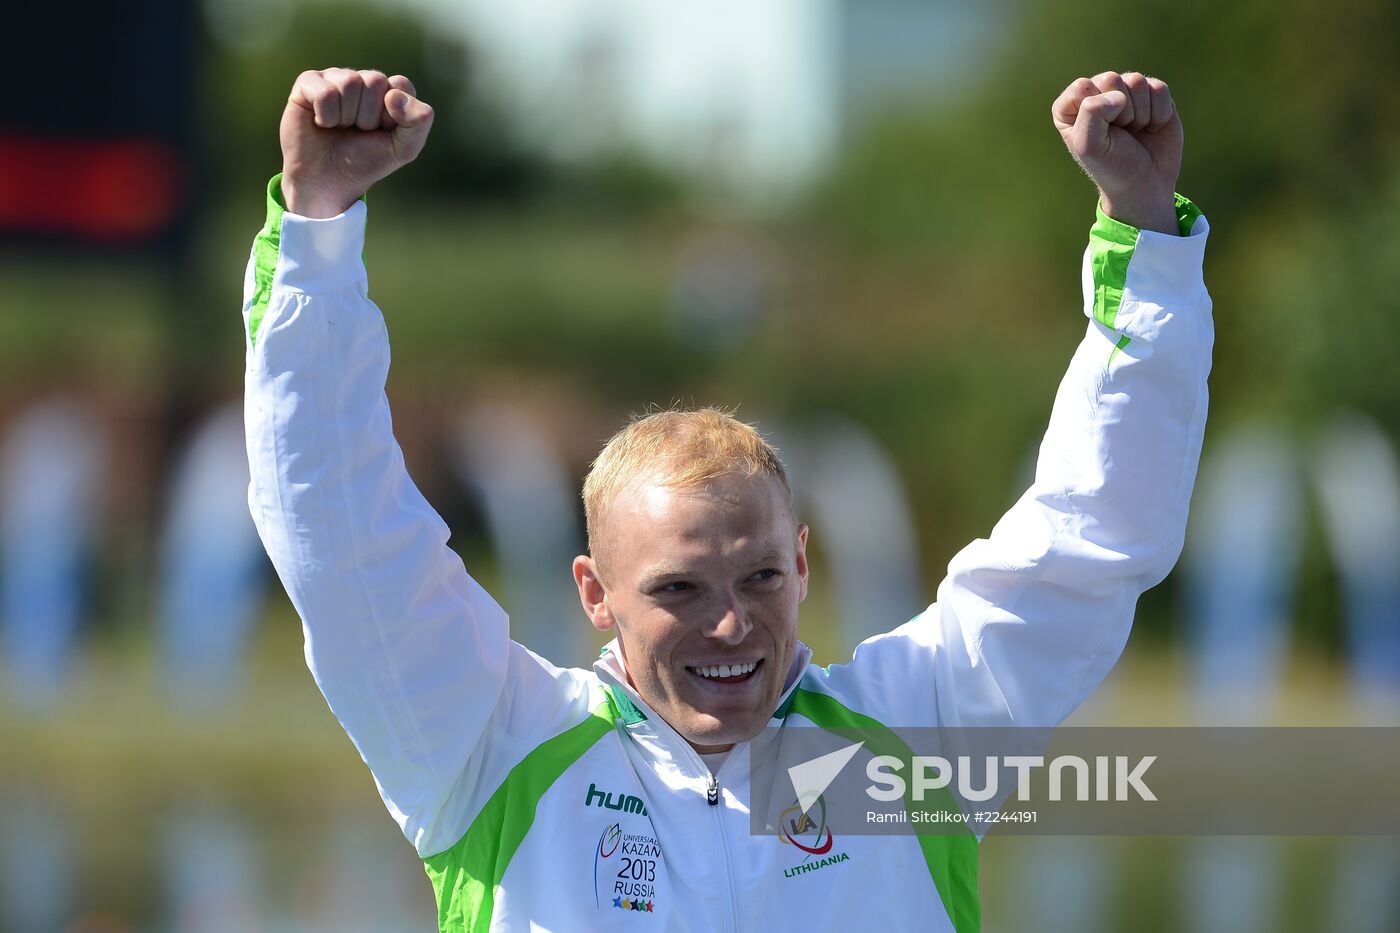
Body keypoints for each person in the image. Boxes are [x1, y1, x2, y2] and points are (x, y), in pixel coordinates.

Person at [243, 67, 1211, 932]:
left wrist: (1143, 230)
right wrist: (318, 222)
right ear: (594, 592)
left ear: (800, 560)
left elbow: (1094, 532)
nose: (731, 624)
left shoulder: (917, 735)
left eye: (756, 576)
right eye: (678, 590)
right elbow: (340, 537)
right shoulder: (489, 746)